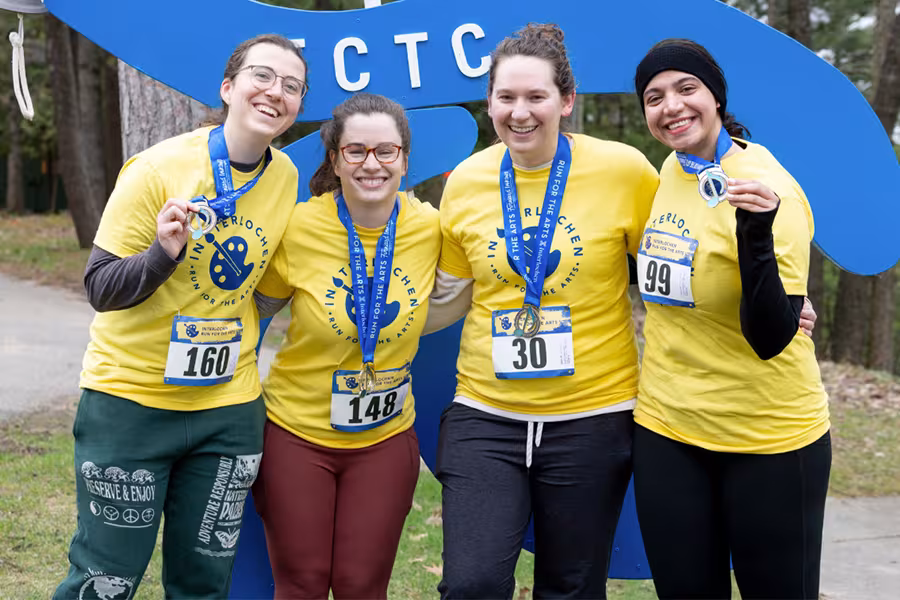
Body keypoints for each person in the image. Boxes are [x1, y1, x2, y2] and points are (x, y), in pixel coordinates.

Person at [54, 34, 307, 598]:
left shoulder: (285, 177)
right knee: (105, 581)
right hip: (131, 405)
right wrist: (161, 256)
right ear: (228, 87)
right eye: (262, 77)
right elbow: (100, 287)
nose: (275, 92)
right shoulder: (158, 167)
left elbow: (263, 290)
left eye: (292, 87)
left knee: (203, 584)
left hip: (228, 412)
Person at [430, 23, 660, 599]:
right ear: (489, 103)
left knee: (572, 588)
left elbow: (681, 264)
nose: (520, 112)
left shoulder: (625, 170)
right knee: (472, 584)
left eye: (536, 96)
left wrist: (777, 290)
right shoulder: (467, 182)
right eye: (506, 97)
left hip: (594, 416)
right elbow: (446, 293)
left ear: (566, 100)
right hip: (485, 413)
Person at [631, 39, 831, 600]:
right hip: (668, 430)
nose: (671, 106)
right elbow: (666, 265)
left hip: (768, 439)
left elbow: (769, 336)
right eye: (654, 96)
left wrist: (756, 235)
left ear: (716, 98)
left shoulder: (769, 187)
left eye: (686, 88)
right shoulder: (672, 169)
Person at [251, 93, 440, 599]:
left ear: (404, 158)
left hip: (384, 439)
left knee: (362, 586)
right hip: (297, 434)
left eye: (386, 151)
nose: (371, 164)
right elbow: (254, 319)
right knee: (302, 584)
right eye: (355, 151)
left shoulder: (431, 229)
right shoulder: (299, 227)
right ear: (334, 160)